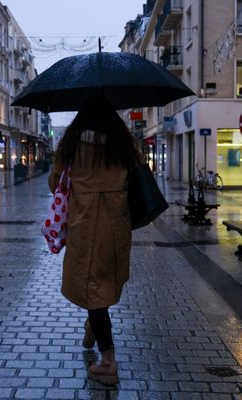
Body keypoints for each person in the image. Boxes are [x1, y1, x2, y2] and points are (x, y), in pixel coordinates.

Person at [48, 96, 141, 385]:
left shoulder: (72, 142)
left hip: (84, 222)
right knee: (105, 280)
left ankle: (108, 361)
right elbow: (137, 178)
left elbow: (54, 182)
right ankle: (94, 324)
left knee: (91, 284)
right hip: (117, 222)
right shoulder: (123, 143)